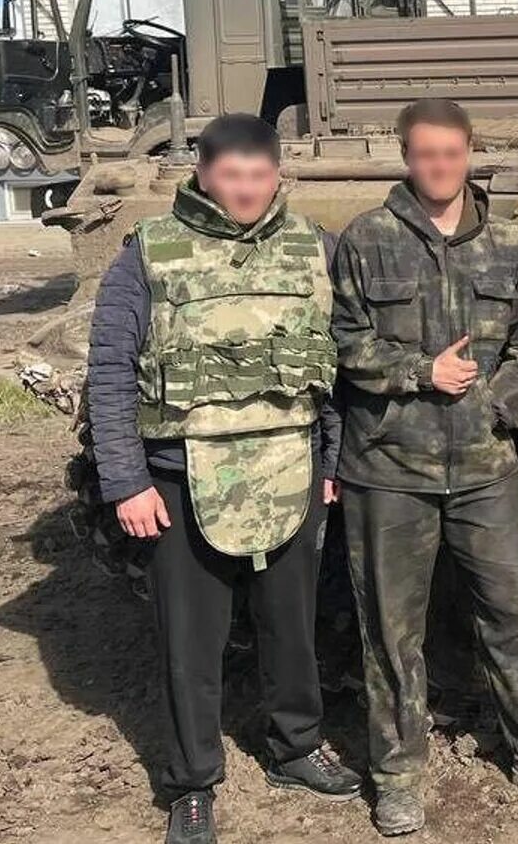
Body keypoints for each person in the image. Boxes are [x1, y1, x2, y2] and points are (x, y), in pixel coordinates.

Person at [331, 98, 518, 836]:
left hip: (484, 467)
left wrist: (492, 407)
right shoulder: (367, 239)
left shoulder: (511, 243)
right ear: (406, 156)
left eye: (450, 153)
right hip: (389, 467)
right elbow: (344, 343)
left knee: (517, 616)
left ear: (469, 153)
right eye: (424, 154)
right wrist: (421, 371)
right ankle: (397, 776)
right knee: (392, 631)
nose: (438, 166)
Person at [85, 113, 360, 844]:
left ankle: (295, 748)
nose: (245, 190)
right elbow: (110, 370)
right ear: (204, 174)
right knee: (191, 644)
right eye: (231, 176)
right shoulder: (150, 253)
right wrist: (125, 481)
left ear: (277, 175)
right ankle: (192, 784)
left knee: (290, 630)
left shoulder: (313, 248)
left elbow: (333, 367)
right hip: (180, 478)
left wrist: (331, 462)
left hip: (288, 467)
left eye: (258, 176)